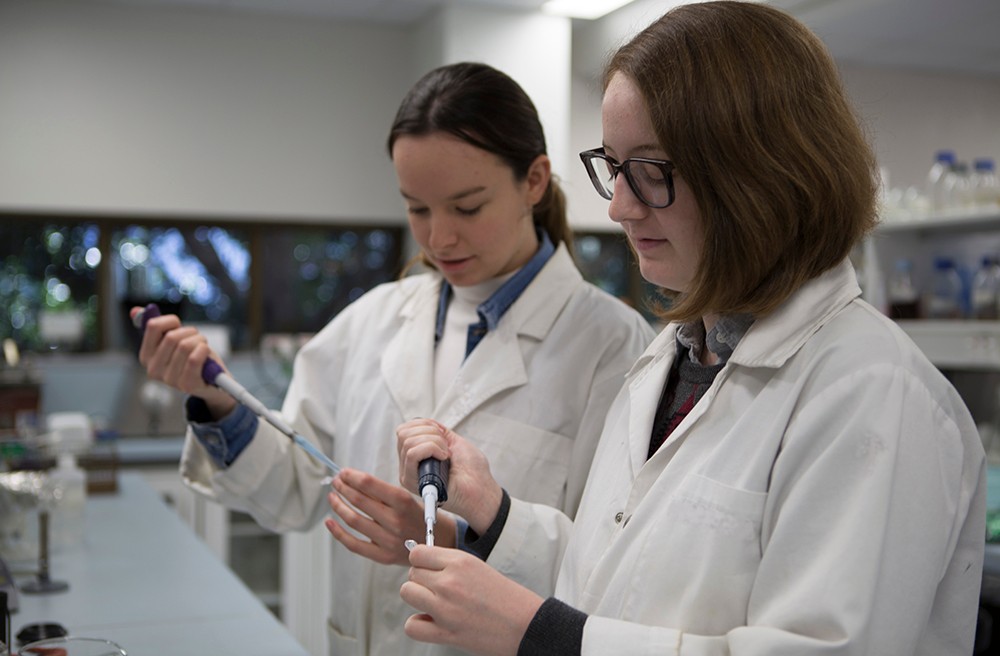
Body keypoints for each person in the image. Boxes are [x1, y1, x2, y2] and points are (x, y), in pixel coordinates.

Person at [394, 3, 987, 655]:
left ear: (759, 170)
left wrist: (542, 636)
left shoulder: (872, 396)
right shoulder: (672, 361)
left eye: (651, 170)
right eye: (613, 167)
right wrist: (493, 513)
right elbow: (617, 581)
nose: (618, 206)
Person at [134, 61, 655, 656]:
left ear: (534, 181)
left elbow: (608, 573)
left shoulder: (612, 346)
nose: (438, 239)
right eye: (417, 208)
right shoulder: (373, 321)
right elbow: (296, 489)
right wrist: (218, 401)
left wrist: (457, 536)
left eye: (466, 207)